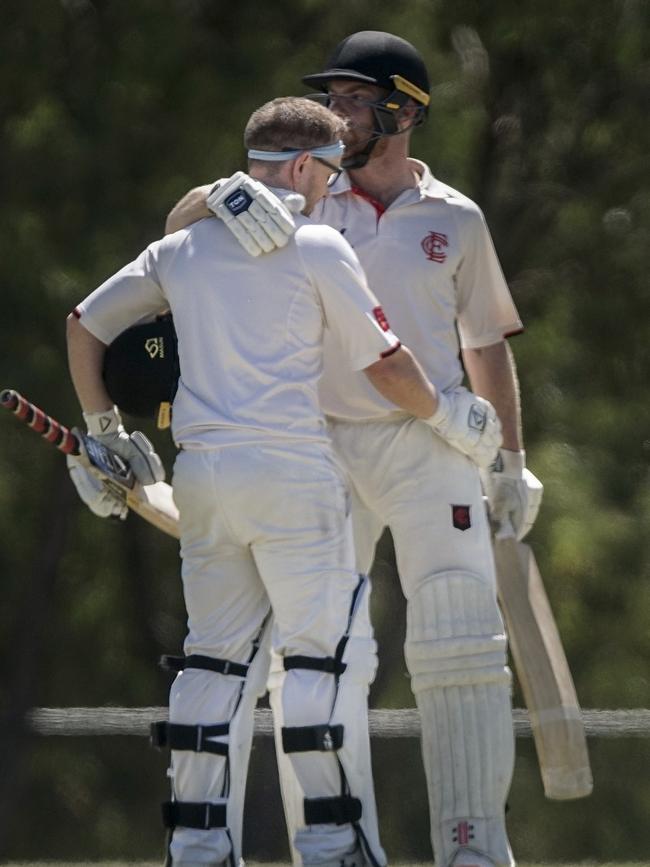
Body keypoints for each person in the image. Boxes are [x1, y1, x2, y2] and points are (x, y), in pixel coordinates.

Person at [66, 95, 502, 867]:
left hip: (203, 477)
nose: (331, 188)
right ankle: (334, 844)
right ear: (304, 165)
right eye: (328, 172)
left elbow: (83, 324)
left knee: (213, 659)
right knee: (319, 656)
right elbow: (390, 365)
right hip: (295, 473)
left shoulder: (184, 248)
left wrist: (104, 432)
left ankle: (198, 846)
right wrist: (448, 416)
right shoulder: (316, 245)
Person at [165, 31, 544, 867]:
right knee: (321, 652)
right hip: (318, 446)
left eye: (352, 101)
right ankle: (334, 846)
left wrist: (510, 459)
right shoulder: (299, 200)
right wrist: (219, 194)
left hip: (428, 438)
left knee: (458, 637)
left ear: (403, 110)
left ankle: (473, 847)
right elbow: (179, 235)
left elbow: (486, 344)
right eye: (330, 100)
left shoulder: (455, 217)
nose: (335, 116)